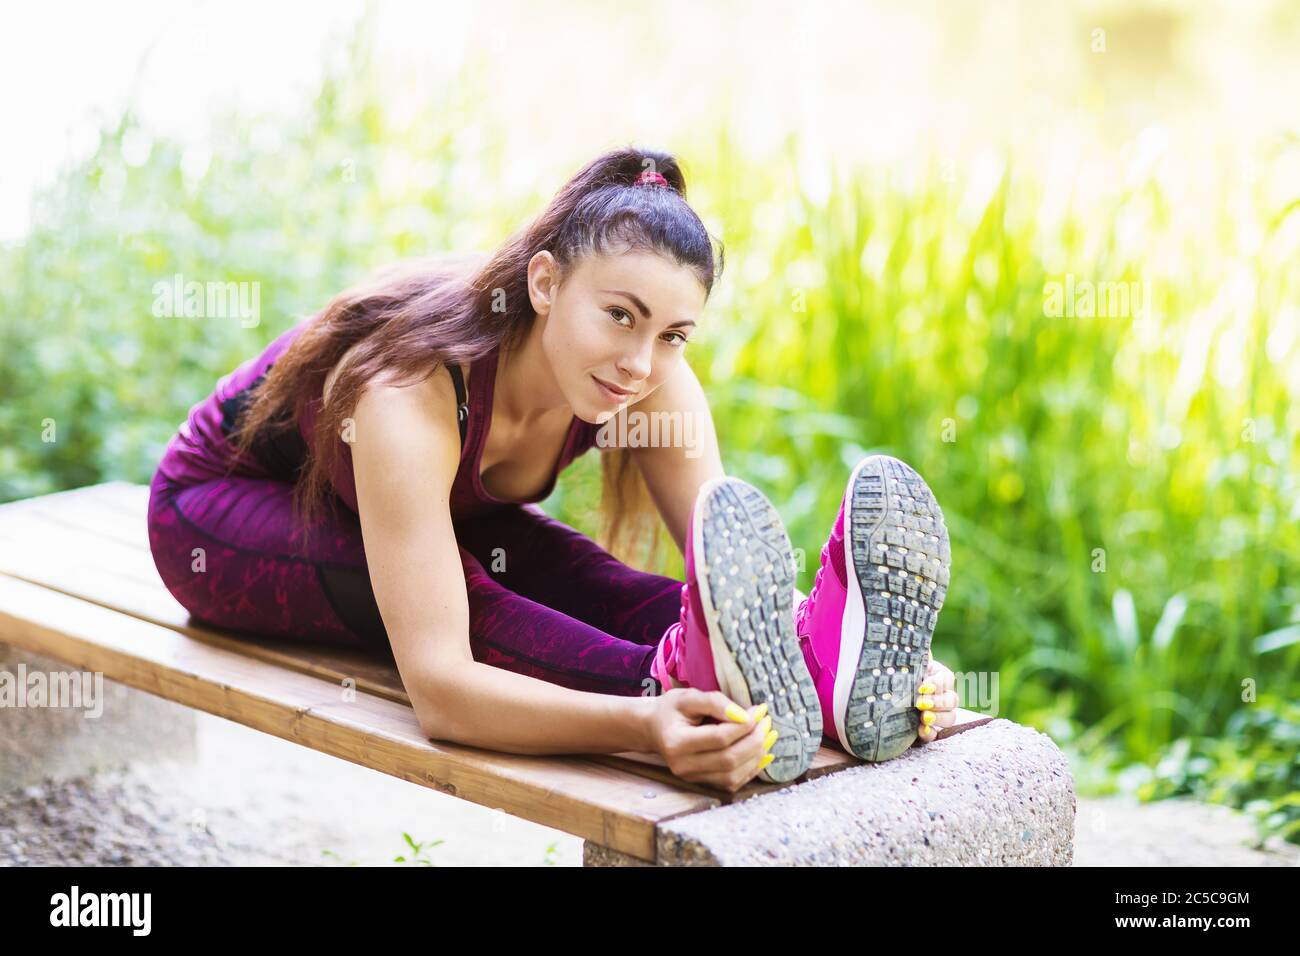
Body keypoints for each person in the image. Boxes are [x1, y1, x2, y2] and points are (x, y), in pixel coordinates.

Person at [146, 146, 959, 794]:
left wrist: (845, 650)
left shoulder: (652, 379)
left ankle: (822, 663)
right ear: (545, 283)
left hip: (432, 515)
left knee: (598, 578)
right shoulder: (412, 393)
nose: (642, 361)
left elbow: (725, 578)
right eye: (619, 315)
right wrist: (648, 727)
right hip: (218, 514)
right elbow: (441, 687)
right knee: (474, 597)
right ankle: (661, 678)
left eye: (674, 333)